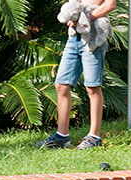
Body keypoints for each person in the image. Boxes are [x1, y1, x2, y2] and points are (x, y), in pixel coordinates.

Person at [38, 0, 115, 150]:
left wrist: (86, 17)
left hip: (94, 35)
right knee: (61, 85)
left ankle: (94, 136)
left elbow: (109, 5)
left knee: (92, 87)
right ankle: (62, 136)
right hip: (74, 37)